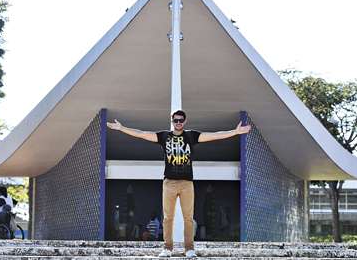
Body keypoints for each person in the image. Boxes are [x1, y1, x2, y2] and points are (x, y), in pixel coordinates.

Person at [107, 110, 251, 258]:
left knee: (188, 217)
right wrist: (122, 128)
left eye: (181, 120)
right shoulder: (164, 136)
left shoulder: (191, 136)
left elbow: (213, 136)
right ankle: (167, 248)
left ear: (185, 121)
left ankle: (189, 249)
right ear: (172, 120)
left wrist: (235, 132)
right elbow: (142, 134)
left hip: (187, 183)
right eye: (175, 120)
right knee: (168, 217)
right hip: (169, 183)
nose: (178, 123)